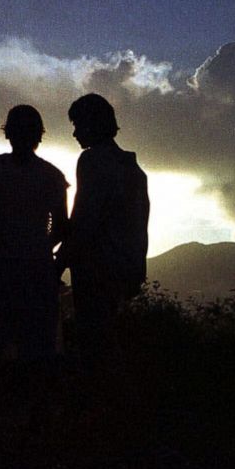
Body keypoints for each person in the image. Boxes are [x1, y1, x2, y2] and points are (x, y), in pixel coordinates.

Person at [0, 105, 69, 362]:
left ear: (7, 133)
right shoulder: (52, 175)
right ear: (39, 136)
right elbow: (63, 227)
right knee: (34, 343)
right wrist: (40, 247)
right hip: (36, 269)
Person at [57, 93, 149, 365]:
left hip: (96, 269)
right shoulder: (133, 169)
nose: (74, 133)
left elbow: (83, 220)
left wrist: (57, 263)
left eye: (78, 124)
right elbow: (138, 226)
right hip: (124, 269)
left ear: (93, 123)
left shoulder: (92, 161)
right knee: (109, 344)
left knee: (93, 346)